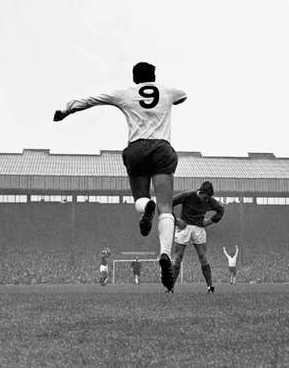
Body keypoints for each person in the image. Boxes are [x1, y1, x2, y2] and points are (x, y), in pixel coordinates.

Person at [53, 62, 186, 291]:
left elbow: (92, 100)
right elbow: (183, 96)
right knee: (166, 208)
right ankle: (164, 254)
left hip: (136, 150)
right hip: (162, 149)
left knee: (140, 201)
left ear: (134, 79)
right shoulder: (168, 92)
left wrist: (66, 110)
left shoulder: (124, 94)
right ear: (153, 77)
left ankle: (146, 207)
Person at [168, 181, 225, 293]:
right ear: (200, 192)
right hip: (184, 227)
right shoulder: (188, 195)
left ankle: (210, 287)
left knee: (203, 257)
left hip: (199, 228)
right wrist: (176, 221)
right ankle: (171, 288)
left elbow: (221, 210)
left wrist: (210, 221)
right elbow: (169, 203)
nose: (207, 200)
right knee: (178, 257)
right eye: (205, 197)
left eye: (209, 198)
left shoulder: (210, 200)